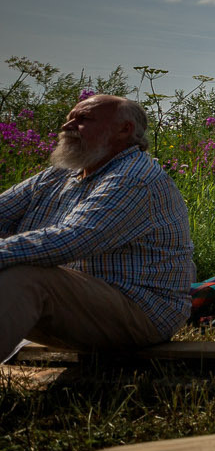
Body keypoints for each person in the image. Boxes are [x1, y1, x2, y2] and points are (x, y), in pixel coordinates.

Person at [0, 95, 194, 355]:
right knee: (13, 262)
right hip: (81, 304)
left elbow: (72, 239)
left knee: (25, 276)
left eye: (83, 119)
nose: (67, 126)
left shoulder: (134, 178)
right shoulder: (61, 174)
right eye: (69, 118)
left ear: (124, 130)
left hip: (140, 312)